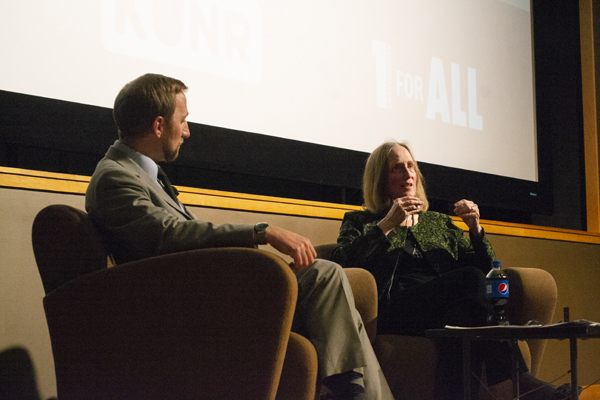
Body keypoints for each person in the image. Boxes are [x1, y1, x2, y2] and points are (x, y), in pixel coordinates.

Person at [85, 73, 393, 400]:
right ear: (159, 126)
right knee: (323, 275)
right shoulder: (115, 178)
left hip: (202, 292)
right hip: (180, 309)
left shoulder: (140, 175)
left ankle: (354, 392)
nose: (187, 131)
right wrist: (261, 233)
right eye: (183, 120)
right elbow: (168, 234)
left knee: (329, 279)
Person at [330, 140, 560, 399]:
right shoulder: (361, 221)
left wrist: (475, 230)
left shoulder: (438, 223)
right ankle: (519, 382)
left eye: (411, 166)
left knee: (466, 314)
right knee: (469, 282)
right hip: (397, 308)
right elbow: (342, 262)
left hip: (443, 312)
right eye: (397, 168)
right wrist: (387, 225)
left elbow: (487, 277)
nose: (408, 174)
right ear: (380, 178)